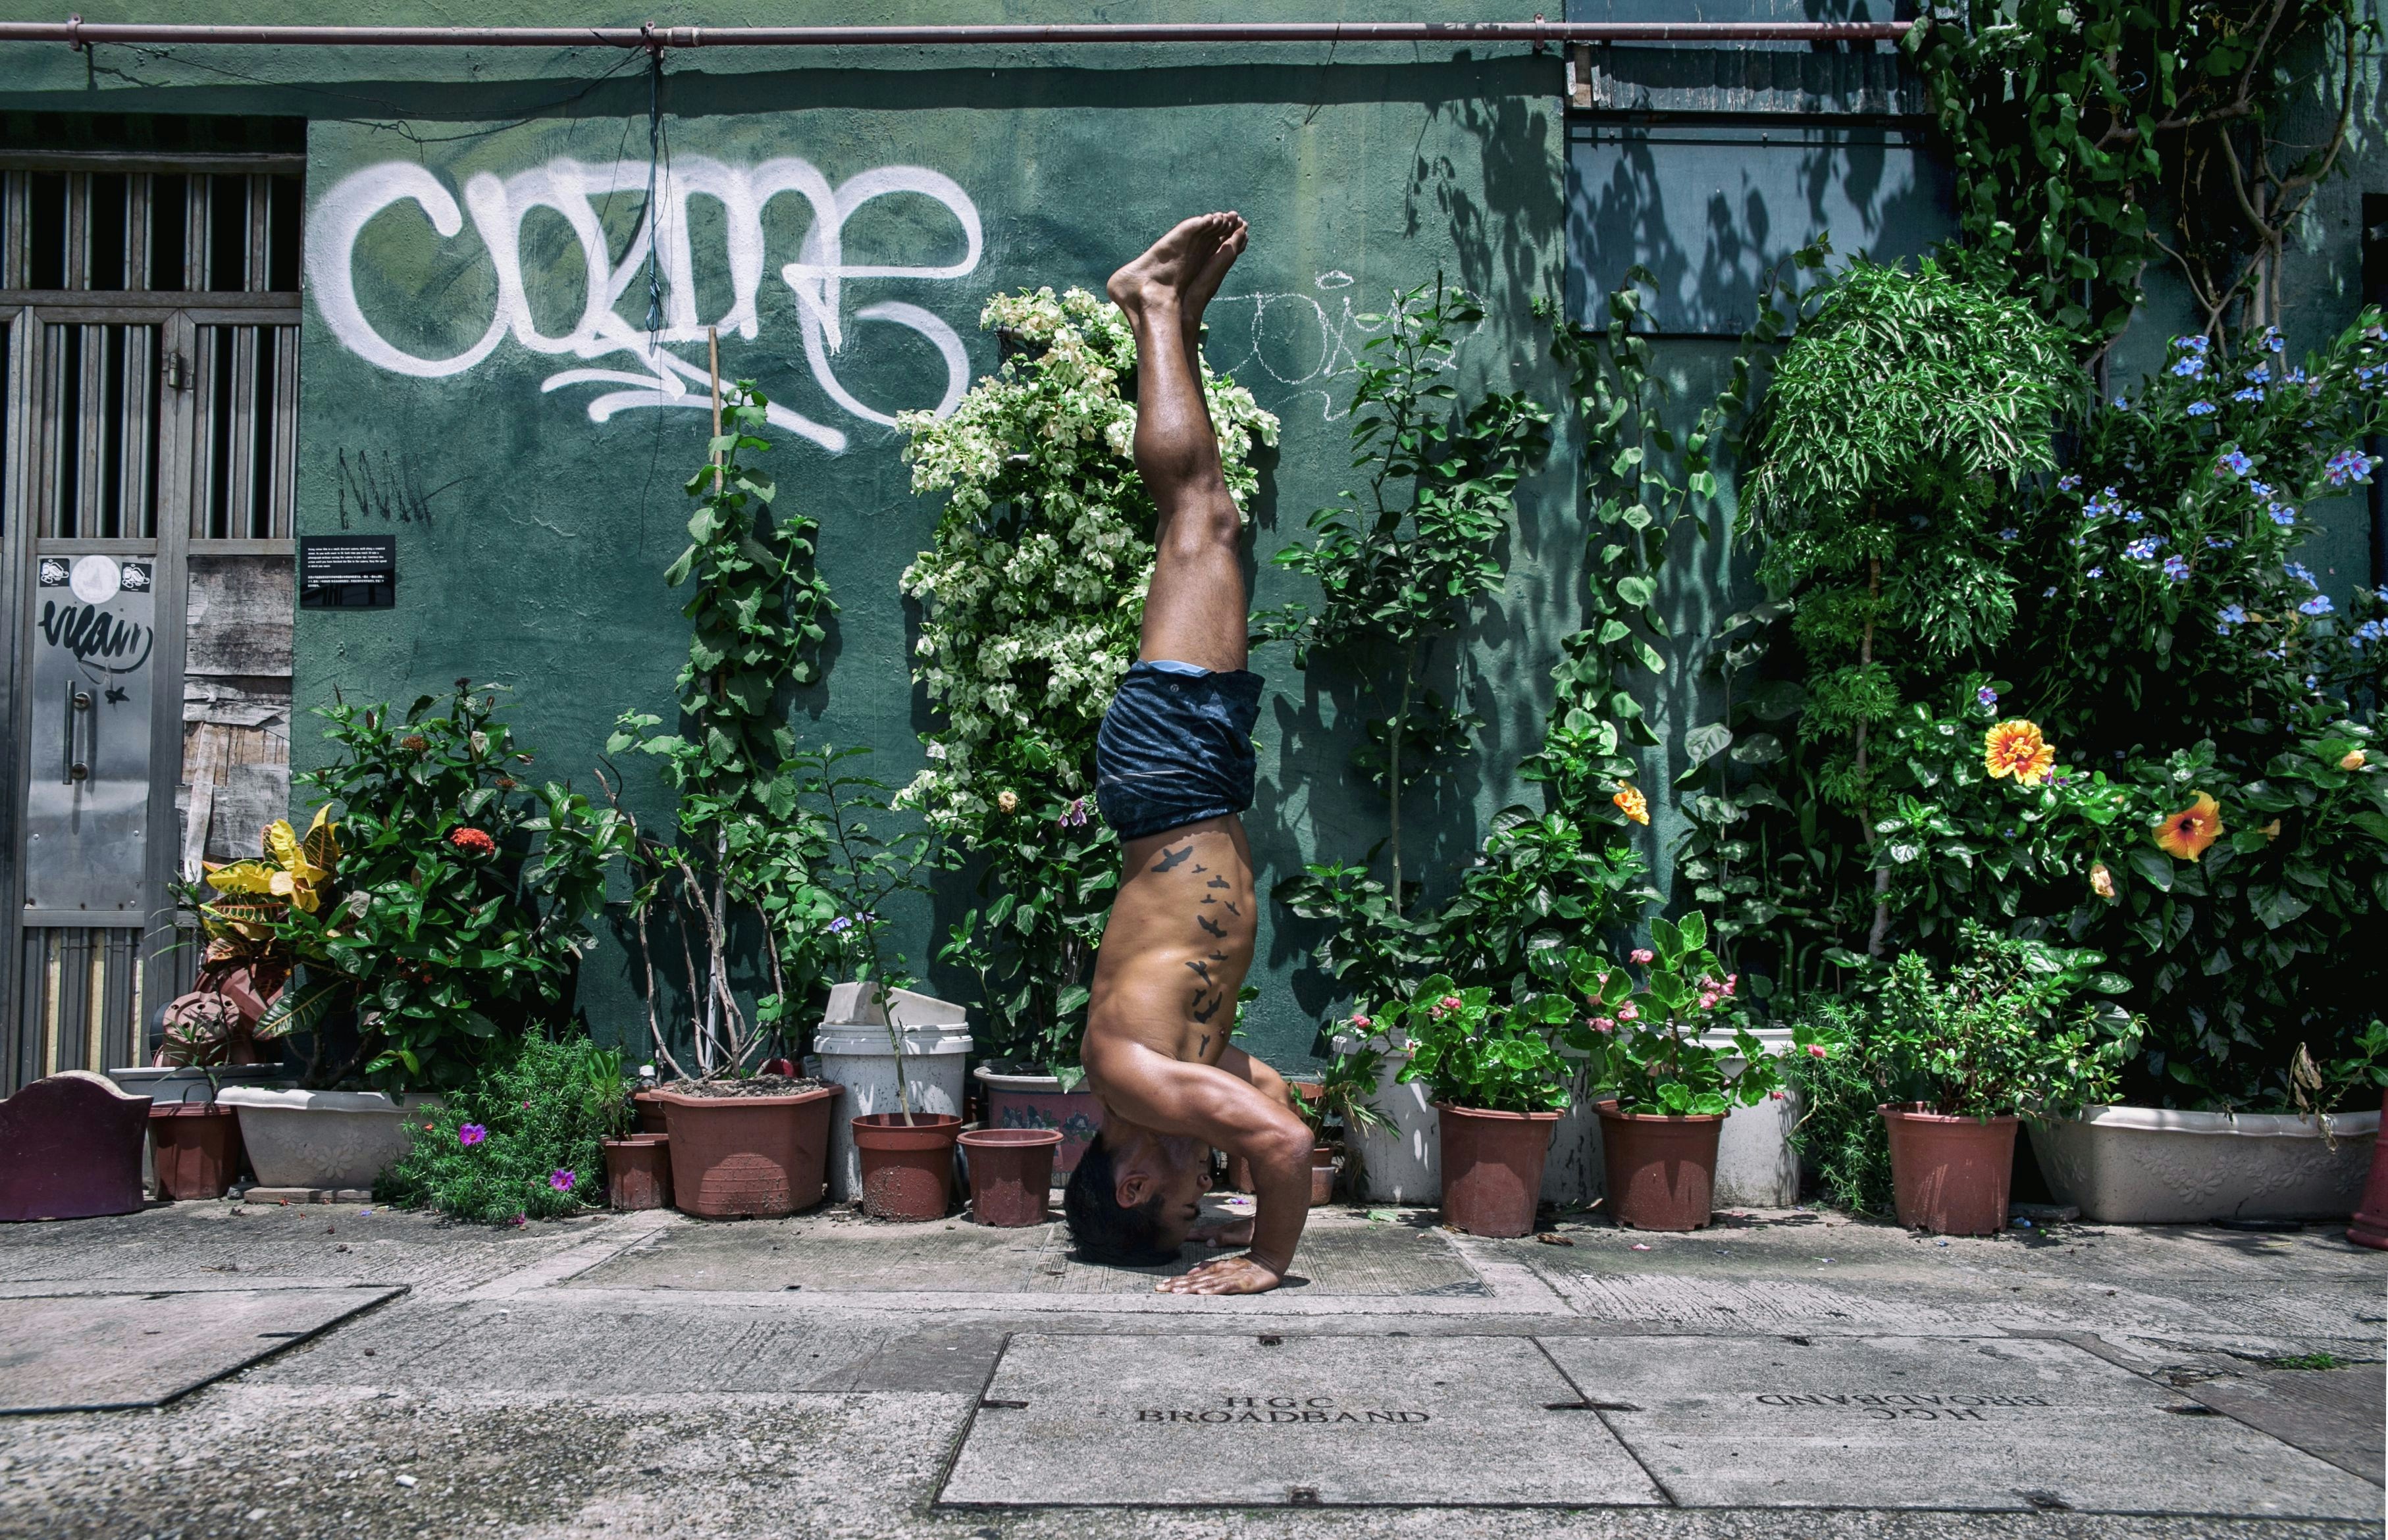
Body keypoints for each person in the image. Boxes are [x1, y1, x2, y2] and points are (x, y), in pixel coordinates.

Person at [1062, 212, 1316, 1296]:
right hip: (1186, 787)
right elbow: (1288, 1118)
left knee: (1199, 521)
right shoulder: (1170, 1077)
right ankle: (1174, 328)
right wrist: (1237, 1199)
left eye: (1183, 1203)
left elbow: (1284, 1155)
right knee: (1209, 523)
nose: (1200, 1196)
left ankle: (1151, 302)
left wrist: (1266, 1258)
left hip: (1172, 783)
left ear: (1130, 1187)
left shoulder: (1134, 1076)